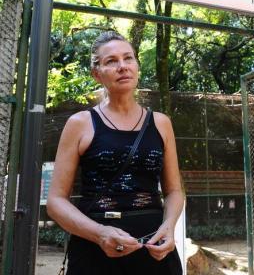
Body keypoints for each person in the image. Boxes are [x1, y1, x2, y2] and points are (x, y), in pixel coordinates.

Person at [47, 31, 184, 274]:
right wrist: (100, 234)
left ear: (137, 66)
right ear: (96, 73)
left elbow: (174, 191)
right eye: (111, 61)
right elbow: (56, 202)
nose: (122, 66)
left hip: (154, 251)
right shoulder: (80, 123)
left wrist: (169, 226)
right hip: (95, 253)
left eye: (128, 58)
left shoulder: (161, 123)